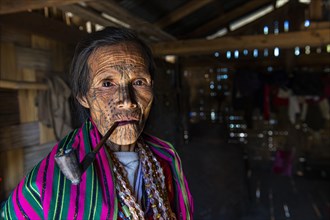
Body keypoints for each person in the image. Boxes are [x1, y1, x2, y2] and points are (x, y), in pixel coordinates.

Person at [0, 27, 193, 219]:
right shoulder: (44, 186)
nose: (127, 101)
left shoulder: (166, 158)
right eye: (107, 84)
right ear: (83, 97)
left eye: (139, 82)